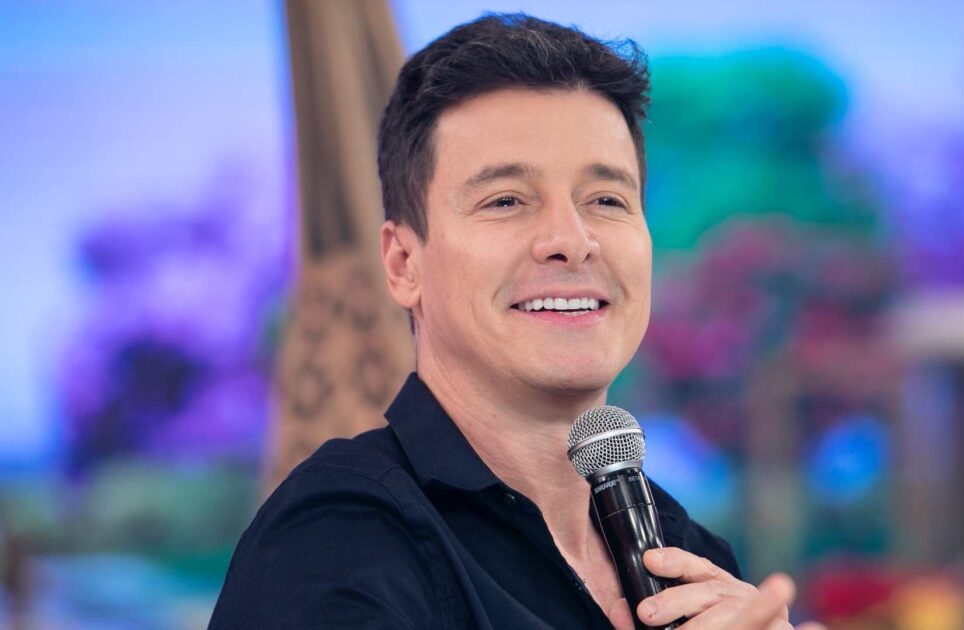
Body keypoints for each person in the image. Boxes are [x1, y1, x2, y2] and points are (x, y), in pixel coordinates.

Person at [211, 13, 823, 630]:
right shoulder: (336, 538)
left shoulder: (692, 556)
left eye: (606, 200)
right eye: (505, 200)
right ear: (403, 264)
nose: (572, 242)